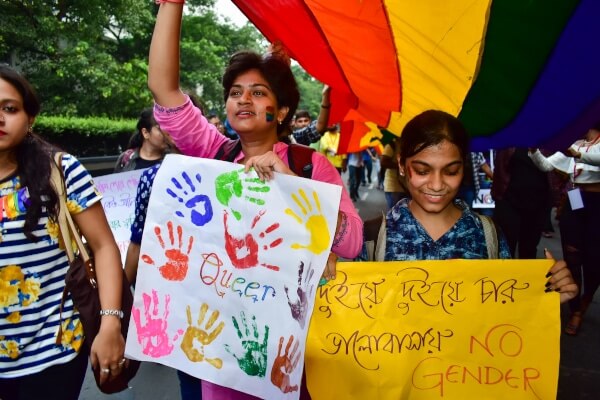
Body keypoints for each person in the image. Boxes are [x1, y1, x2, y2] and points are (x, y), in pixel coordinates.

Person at [147, 3, 363, 399]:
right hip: (225, 354)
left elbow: (351, 242)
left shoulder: (309, 165)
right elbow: (165, 90)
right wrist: (172, 5)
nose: (243, 100)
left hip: (292, 351)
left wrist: (292, 183)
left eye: (258, 92)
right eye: (235, 93)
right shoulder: (216, 153)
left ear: (281, 111)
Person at [0, 66, 126, 399]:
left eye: (9, 108)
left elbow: (103, 247)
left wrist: (110, 322)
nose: (0, 118)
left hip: (53, 354)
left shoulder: (61, 170)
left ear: (30, 118)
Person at [360, 110, 577, 304]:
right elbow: (352, 314)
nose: (436, 185)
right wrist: (326, 275)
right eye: (422, 171)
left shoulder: (487, 235)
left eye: (451, 171)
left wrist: (546, 298)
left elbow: (506, 311)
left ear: (463, 167)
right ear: (401, 165)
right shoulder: (375, 236)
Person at [528, 122, 600, 335]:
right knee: (572, 257)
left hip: (598, 204)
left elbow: (595, 158)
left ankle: (586, 300)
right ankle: (576, 309)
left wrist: (574, 153)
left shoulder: (580, 148)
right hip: (576, 200)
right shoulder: (576, 144)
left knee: (595, 261)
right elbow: (546, 166)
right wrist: (533, 150)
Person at [491, 148, 552, 259]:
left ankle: (526, 275)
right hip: (509, 202)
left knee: (529, 249)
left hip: (537, 204)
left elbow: (550, 168)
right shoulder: (509, 141)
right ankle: (506, 276)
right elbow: (500, 167)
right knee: (506, 247)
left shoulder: (545, 142)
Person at [114, 107, 170, 172]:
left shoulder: (172, 160)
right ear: (145, 132)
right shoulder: (126, 158)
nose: (167, 133)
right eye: (161, 129)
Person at [380, 140, 408, 209]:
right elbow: (383, 162)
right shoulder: (392, 144)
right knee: (395, 214)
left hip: (407, 188)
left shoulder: (410, 144)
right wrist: (401, 166)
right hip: (394, 188)